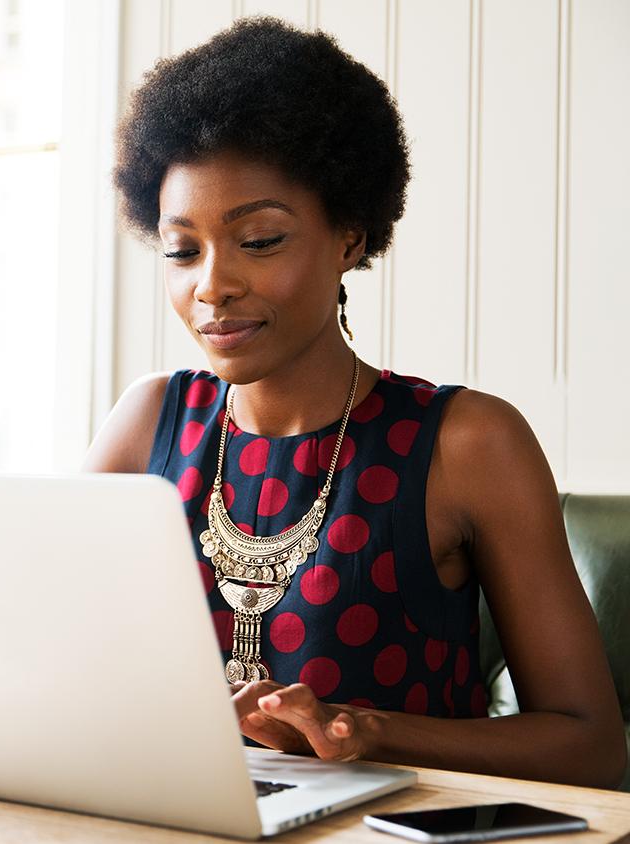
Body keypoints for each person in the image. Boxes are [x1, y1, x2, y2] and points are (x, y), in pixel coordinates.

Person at [83, 17, 625, 788]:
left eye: (260, 240)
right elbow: (50, 666)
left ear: (348, 236)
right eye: (182, 250)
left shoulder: (466, 444)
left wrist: (365, 733)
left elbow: (591, 748)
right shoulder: (147, 424)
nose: (211, 285)